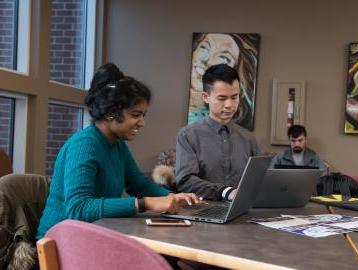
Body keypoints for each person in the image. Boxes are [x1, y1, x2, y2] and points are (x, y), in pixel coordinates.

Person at [36, 63, 199, 239]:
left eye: (144, 115)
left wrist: (173, 197)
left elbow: (138, 184)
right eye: (136, 115)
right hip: (59, 245)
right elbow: (79, 208)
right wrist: (146, 204)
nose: (142, 123)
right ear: (111, 113)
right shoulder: (84, 145)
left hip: (87, 238)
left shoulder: (117, 144)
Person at [176, 63, 260, 201]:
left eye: (234, 97)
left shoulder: (248, 138)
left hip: (243, 210)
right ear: (206, 97)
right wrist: (226, 192)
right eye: (222, 98)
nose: (229, 105)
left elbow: (259, 178)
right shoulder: (187, 135)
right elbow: (185, 181)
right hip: (203, 211)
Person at [188, 33, 260, 130]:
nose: (208, 61)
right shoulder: (187, 135)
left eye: (223, 58)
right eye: (204, 48)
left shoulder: (247, 139)